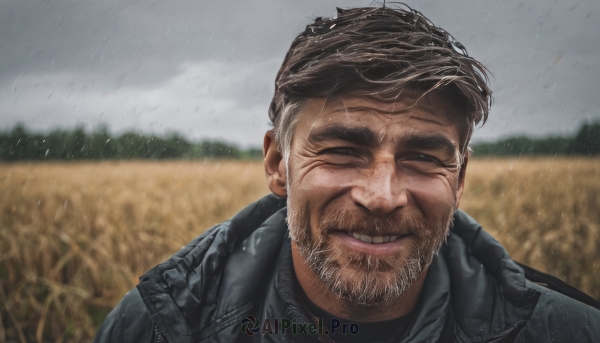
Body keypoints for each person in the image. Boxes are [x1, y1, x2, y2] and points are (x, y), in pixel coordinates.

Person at [94, 5, 600, 343]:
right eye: (342, 151)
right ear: (277, 165)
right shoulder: (158, 327)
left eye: (423, 157)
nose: (382, 196)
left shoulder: (564, 331)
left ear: (459, 179)